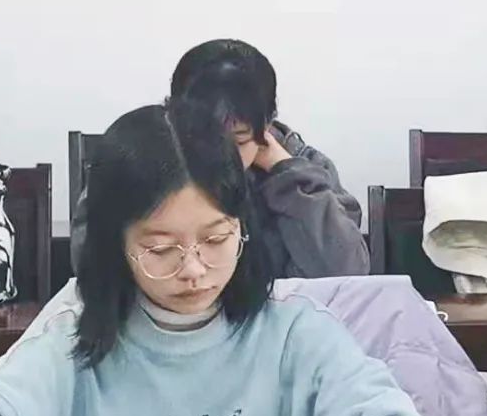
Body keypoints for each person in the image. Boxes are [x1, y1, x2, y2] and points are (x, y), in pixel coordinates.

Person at [0, 101, 428, 416]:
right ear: (114, 244)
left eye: (217, 239)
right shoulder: (68, 339)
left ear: (243, 227)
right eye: (161, 249)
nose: (194, 269)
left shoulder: (294, 331)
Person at [71, 38, 369, 278]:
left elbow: (345, 275)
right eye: (205, 138)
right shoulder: (137, 159)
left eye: (237, 141)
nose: (219, 156)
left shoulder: (308, 171)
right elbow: (91, 266)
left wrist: (287, 175)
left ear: (267, 125)